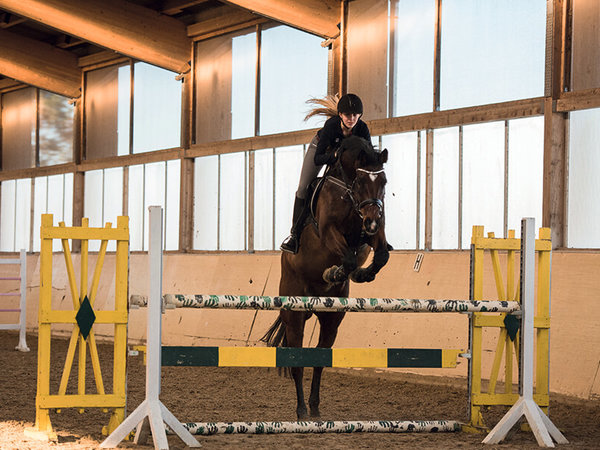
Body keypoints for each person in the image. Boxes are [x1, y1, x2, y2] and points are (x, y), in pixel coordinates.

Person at [280, 93, 371, 254]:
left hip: (344, 157)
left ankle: (372, 230)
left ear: (360, 115)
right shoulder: (331, 126)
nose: (351, 118)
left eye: (355, 115)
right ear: (340, 115)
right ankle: (294, 234)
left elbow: (368, 158)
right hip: (322, 151)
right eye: (347, 115)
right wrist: (335, 156)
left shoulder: (362, 128)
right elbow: (318, 158)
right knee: (302, 188)